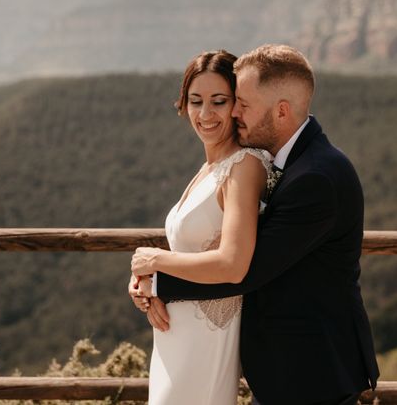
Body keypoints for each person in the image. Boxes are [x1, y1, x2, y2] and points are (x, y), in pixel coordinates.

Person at [130, 44, 380, 405]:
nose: (234, 112)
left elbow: (246, 270)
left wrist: (156, 280)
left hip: (313, 370)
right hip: (284, 366)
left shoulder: (316, 177)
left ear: (281, 111)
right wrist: (146, 281)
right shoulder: (290, 162)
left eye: (241, 104)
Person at [130, 49, 273, 405]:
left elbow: (233, 264)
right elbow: (189, 255)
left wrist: (156, 262)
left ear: (236, 105)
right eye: (195, 101)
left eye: (218, 101)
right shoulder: (208, 168)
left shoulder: (245, 166)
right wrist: (147, 285)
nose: (205, 114)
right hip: (173, 335)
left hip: (206, 339)